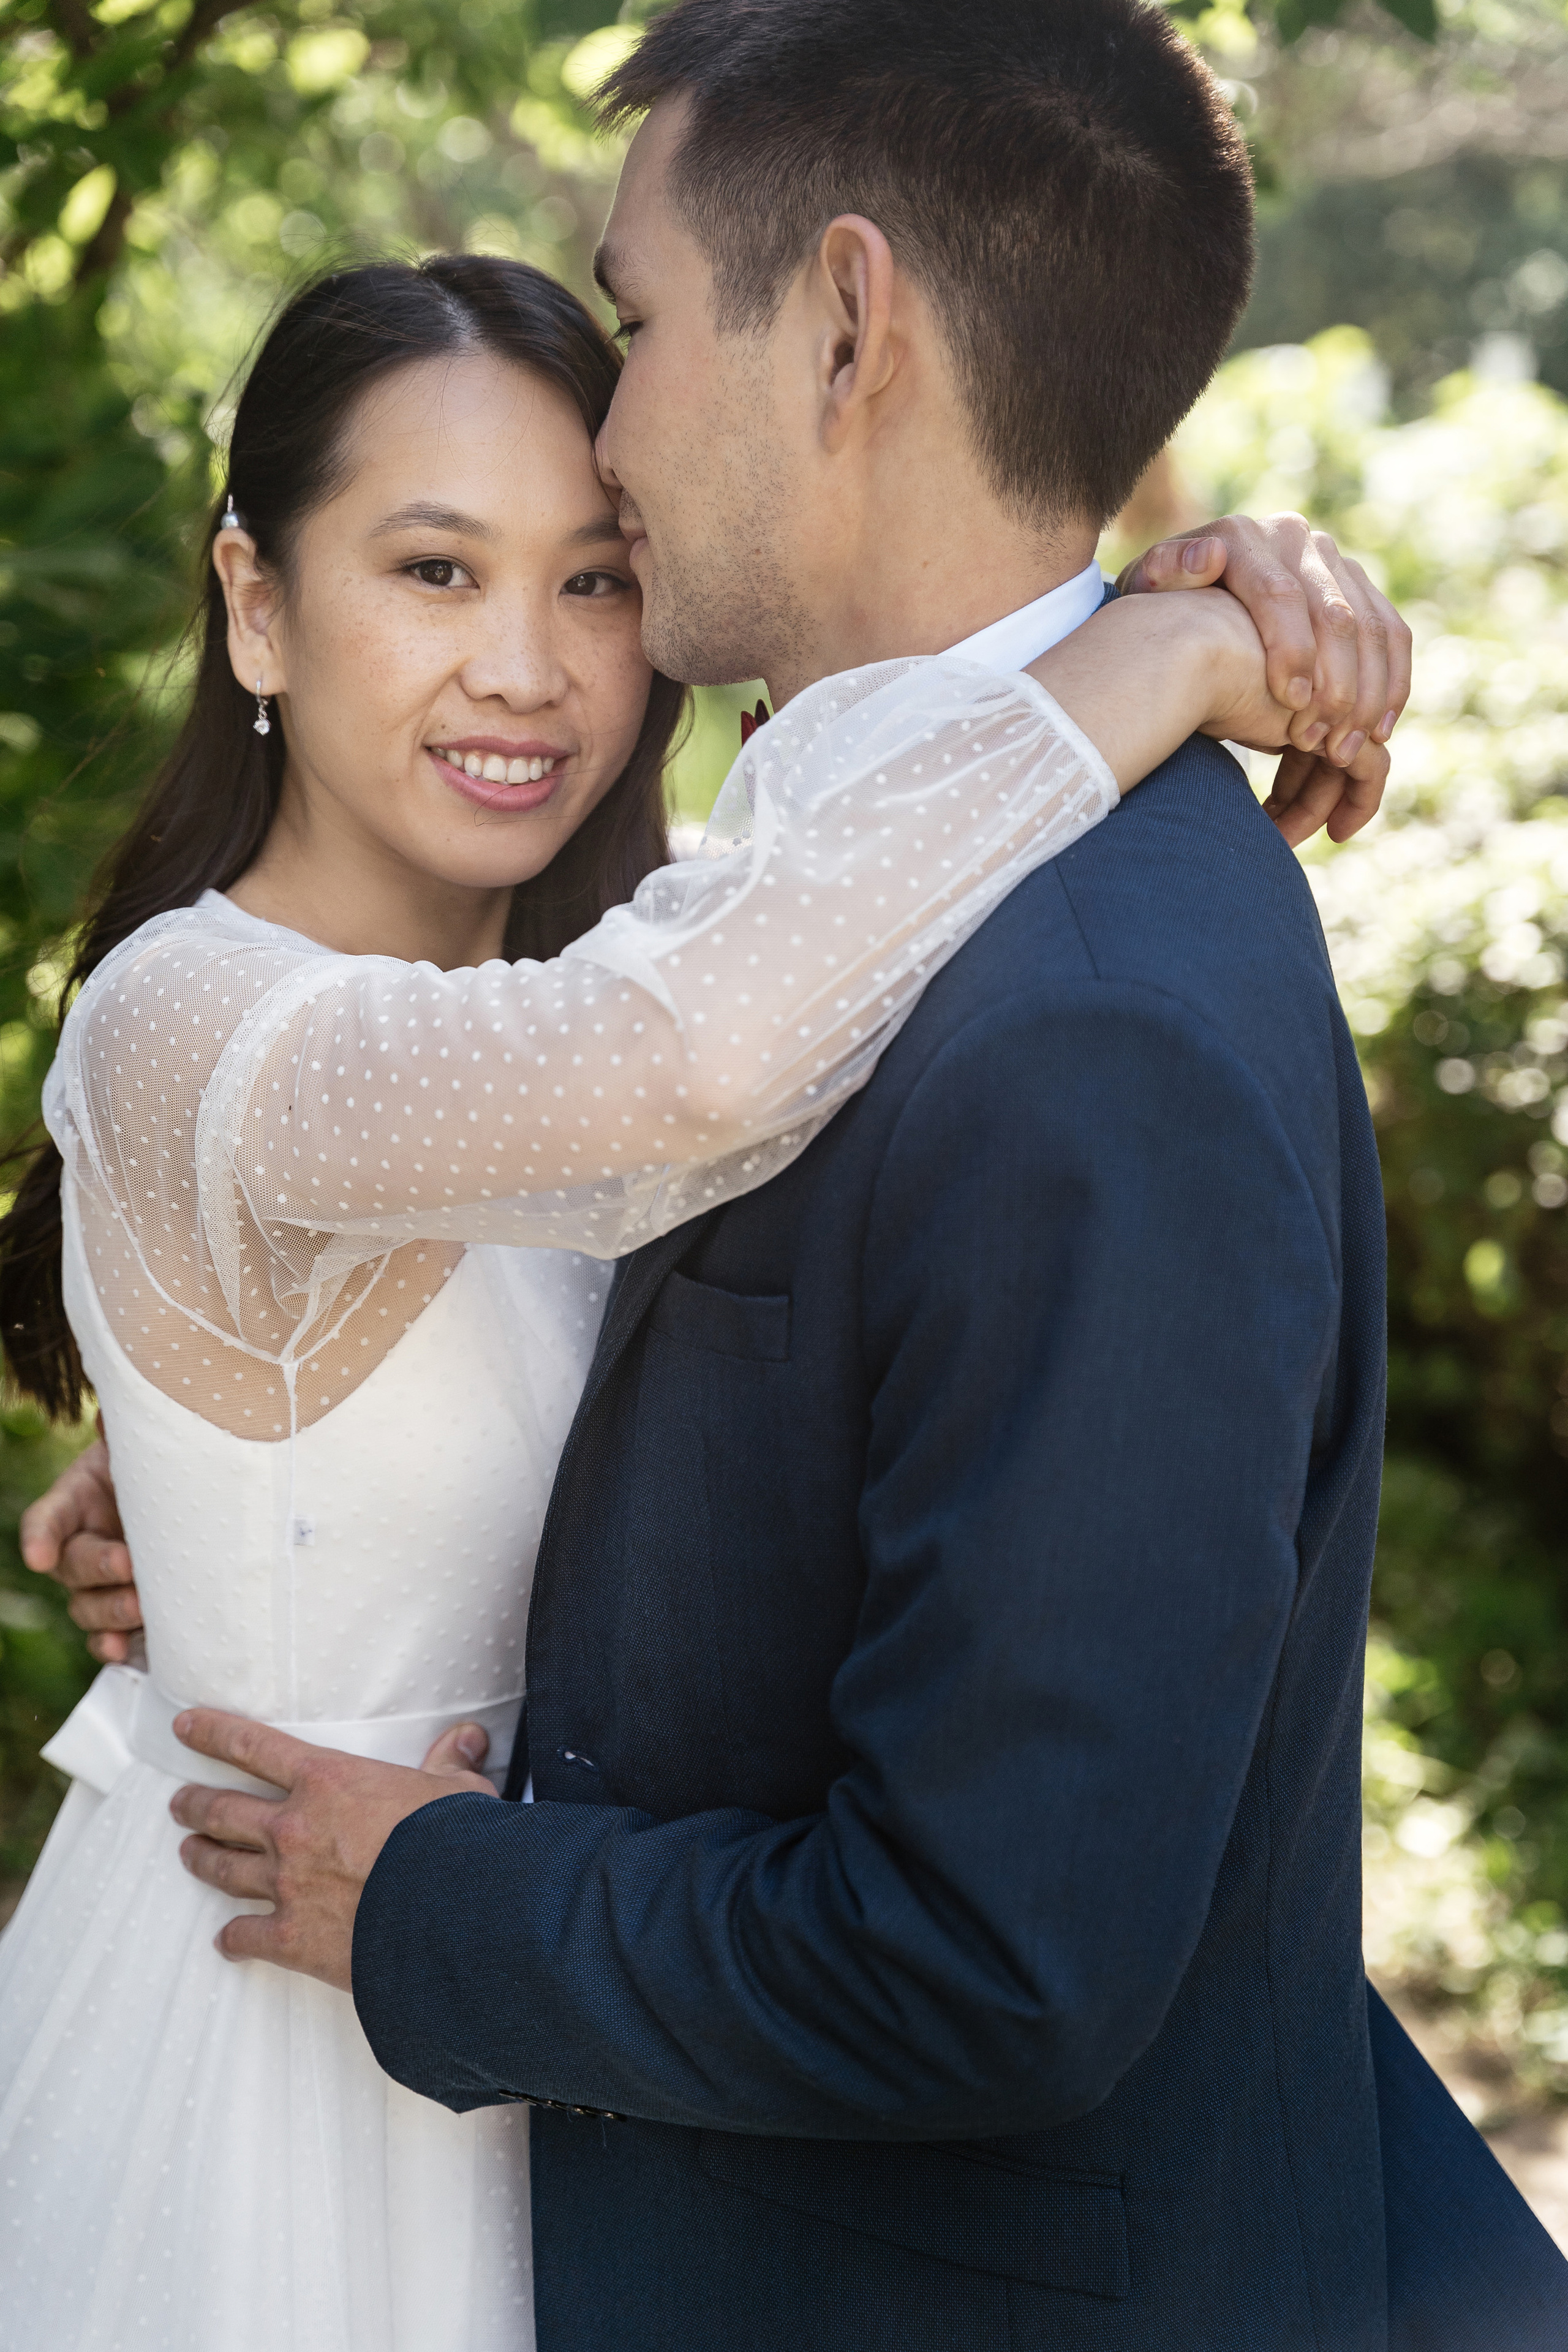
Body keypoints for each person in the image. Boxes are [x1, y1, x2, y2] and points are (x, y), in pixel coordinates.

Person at [15, 6, 1539, 2351]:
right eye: (432, 567)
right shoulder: (734, 926)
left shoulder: (1050, 992)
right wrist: (257, 1482)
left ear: (847, 321)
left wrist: (1171, 626)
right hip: (318, 2127)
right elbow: (670, 1108)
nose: (604, 499)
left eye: (631, 331)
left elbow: (997, 1953)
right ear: (255, 601)